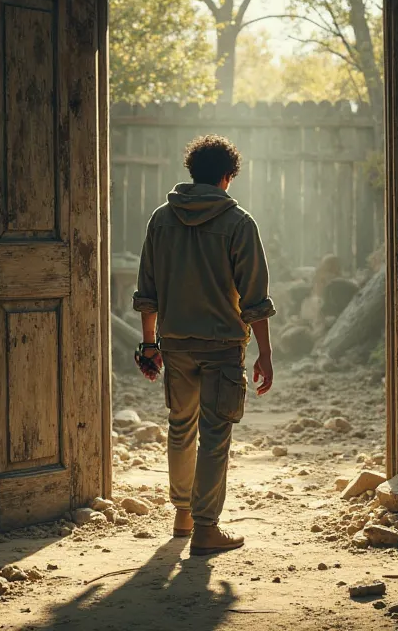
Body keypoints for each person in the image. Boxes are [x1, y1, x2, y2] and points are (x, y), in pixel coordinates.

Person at [132, 134, 275, 556]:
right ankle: (207, 529)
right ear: (228, 177)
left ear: (192, 173)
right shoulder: (239, 223)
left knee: (181, 427)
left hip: (174, 343)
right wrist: (264, 353)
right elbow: (254, 299)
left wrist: (148, 344)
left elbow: (147, 290)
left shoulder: (161, 219)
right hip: (223, 346)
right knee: (215, 435)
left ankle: (183, 515)